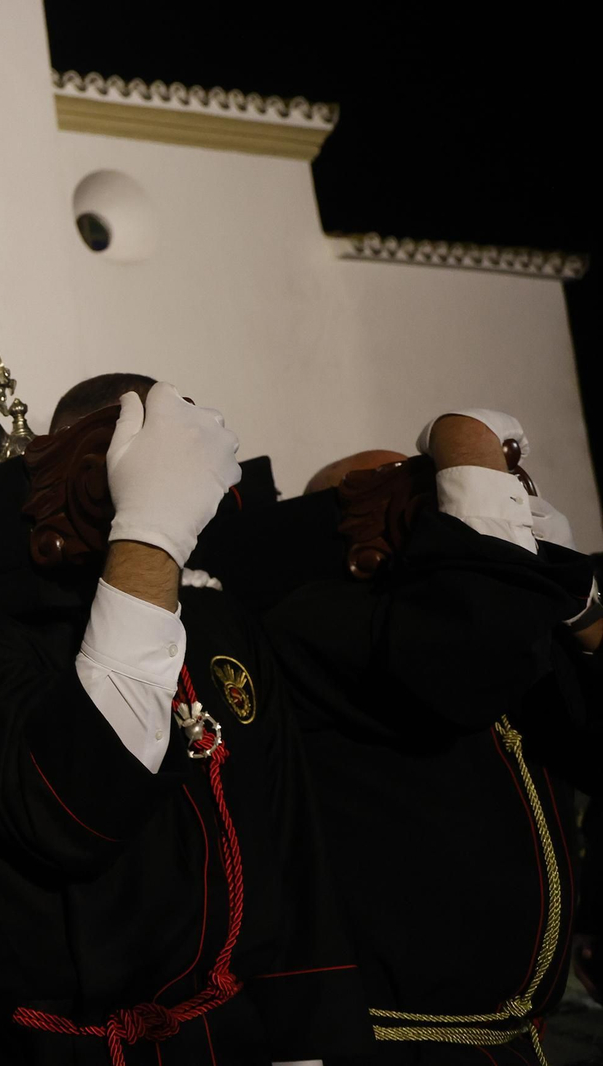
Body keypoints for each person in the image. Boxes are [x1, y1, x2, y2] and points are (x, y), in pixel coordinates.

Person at [0, 373, 370, 1064]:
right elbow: (68, 810)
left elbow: (293, 851)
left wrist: (313, 1044)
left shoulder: (223, 627)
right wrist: (145, 536)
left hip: (228, 1037)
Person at [249, 410, 603, 1064]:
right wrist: (467, 449)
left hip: (519, 1043)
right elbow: (458, 664)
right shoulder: (312, 625)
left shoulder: (490, 620)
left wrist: (578, 603)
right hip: (399, 1042)